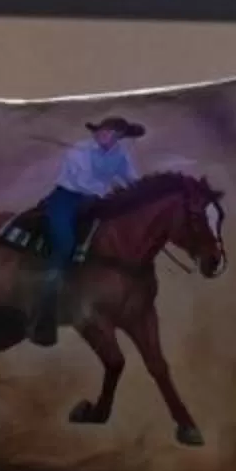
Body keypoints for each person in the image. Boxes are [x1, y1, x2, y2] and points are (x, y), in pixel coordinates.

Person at [28, 115, 143, 345]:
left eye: (109, 132)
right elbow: (81, 182)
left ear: (118, 137)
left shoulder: (120, 155)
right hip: (66, 199)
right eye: (101, 130)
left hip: (96, 201)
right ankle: (44, 305)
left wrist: (138, 192)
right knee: (66, 244)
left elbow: (132, 178)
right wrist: (108, 189)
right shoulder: (79, 151)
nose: (103, 134)